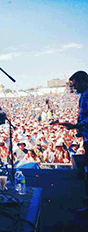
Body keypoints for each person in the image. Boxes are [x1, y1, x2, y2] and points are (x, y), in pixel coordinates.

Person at [63, 71, 88, 215]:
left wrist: (75, 126)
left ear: (84, 81)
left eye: (76, 84)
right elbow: (83, 115)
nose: (74, 88)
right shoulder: (82, 96)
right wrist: (79, 129)